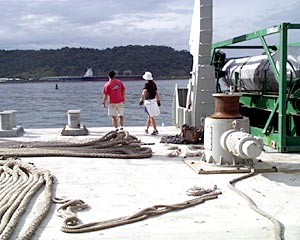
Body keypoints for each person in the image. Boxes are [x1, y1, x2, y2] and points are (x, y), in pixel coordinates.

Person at [139, 71, 161, 135]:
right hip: (153, 101)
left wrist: (141, 100)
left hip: (148, 102)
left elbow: (144, 92)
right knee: (149, 116)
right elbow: (157, 93)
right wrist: (158, 100)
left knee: (151, 116)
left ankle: (155, 130)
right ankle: (147, 128)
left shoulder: (147, 84)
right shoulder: (154, 84)